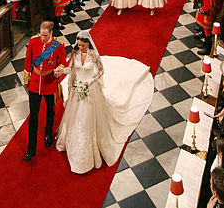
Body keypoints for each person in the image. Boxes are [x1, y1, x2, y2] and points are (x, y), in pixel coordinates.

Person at [53, 30, 153, 174]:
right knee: (75, 117)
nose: (79, 47)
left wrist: (90, 81)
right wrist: (61, 71)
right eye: (78, 45)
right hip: (77, 90)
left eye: (82, 45)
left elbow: (101, 71)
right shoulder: (75, 54)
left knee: (87, 117)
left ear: (88, 44)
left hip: (90, 89)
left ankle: (88, 151)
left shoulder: (93, 55)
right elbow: (72, 69)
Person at [22, 21, 68, 161]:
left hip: (49, 83)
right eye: (41, 35)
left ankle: (48, 134)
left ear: (51, 33)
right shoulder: (33, 41)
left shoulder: (58, 45)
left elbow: (63, 63)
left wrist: (58, 70)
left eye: (46, 36)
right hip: (35, 83)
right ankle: (31, 149)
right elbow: (28, 61)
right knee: (33, 116)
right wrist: (26, 79)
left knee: (50, 111)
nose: (43, 38)